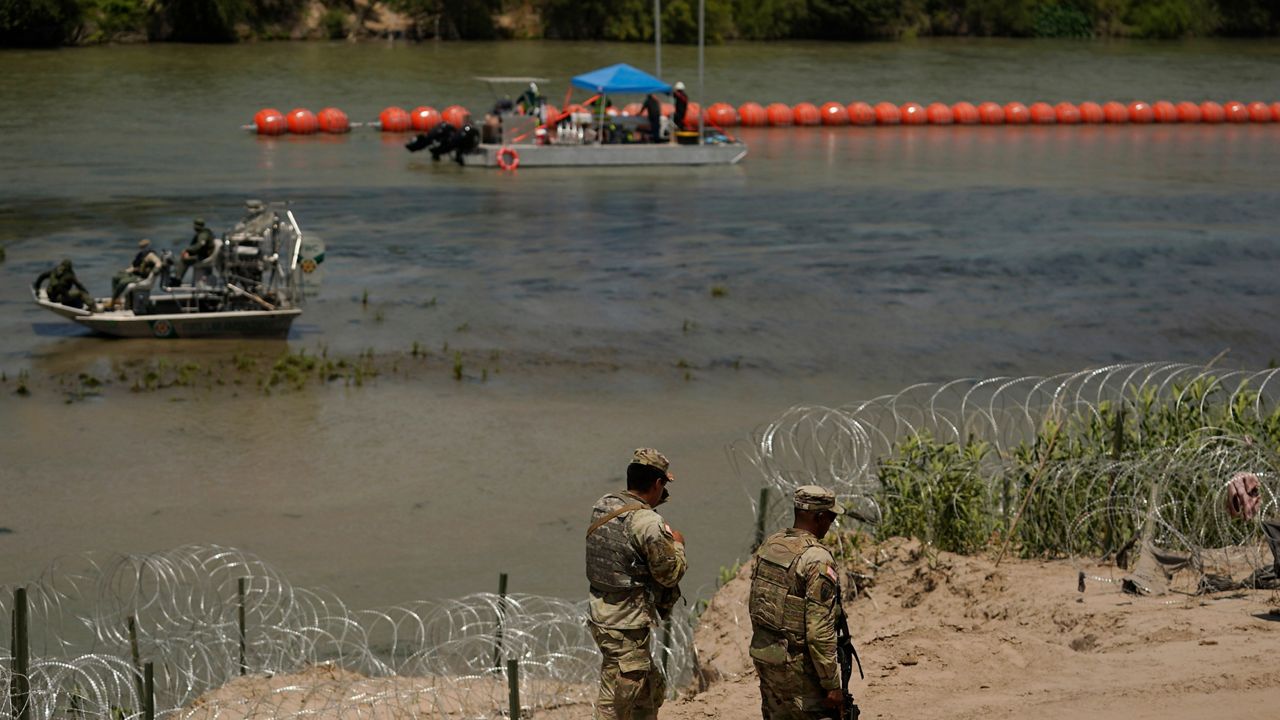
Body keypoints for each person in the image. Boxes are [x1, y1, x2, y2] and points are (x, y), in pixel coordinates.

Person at [586, 448, 687, 720]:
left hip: (602, 613)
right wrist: (678, 545)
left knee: (649, 689)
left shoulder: (604, 505)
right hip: (626, 624)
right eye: (663, 484)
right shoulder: (648, 523)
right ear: (657, 483)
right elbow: (669, 574)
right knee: (615, 702)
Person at [748, 486, 847, 719]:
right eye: (831, 517)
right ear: (820, 517)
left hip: (767, 655)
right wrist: (832, 684)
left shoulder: (772, 545)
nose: (831, 523)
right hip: (799, 668)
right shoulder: (817, 558)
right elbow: (818, 631)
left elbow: (758, 604)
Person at [110, 238, 161, 308]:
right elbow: (134, 266)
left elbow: (158, 262)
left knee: (123, 282)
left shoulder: (150, 255)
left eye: (143, 247)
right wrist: (127, 271)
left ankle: (112, 301)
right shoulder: (140, 255)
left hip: (142, 277)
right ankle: (116, 298)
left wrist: (156, 269)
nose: (142, 248)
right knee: (115, 278)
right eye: (141, 247)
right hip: (134, 274)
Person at [171, 218, 216, 287]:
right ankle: (177, 277)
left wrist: (187, 250)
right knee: (183, 257)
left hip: (203, 257)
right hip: (202, 255)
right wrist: (188, 252)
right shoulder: (203, 233)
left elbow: (199, 246)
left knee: (184, 260)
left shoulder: (203, 235)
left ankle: (177, 279)